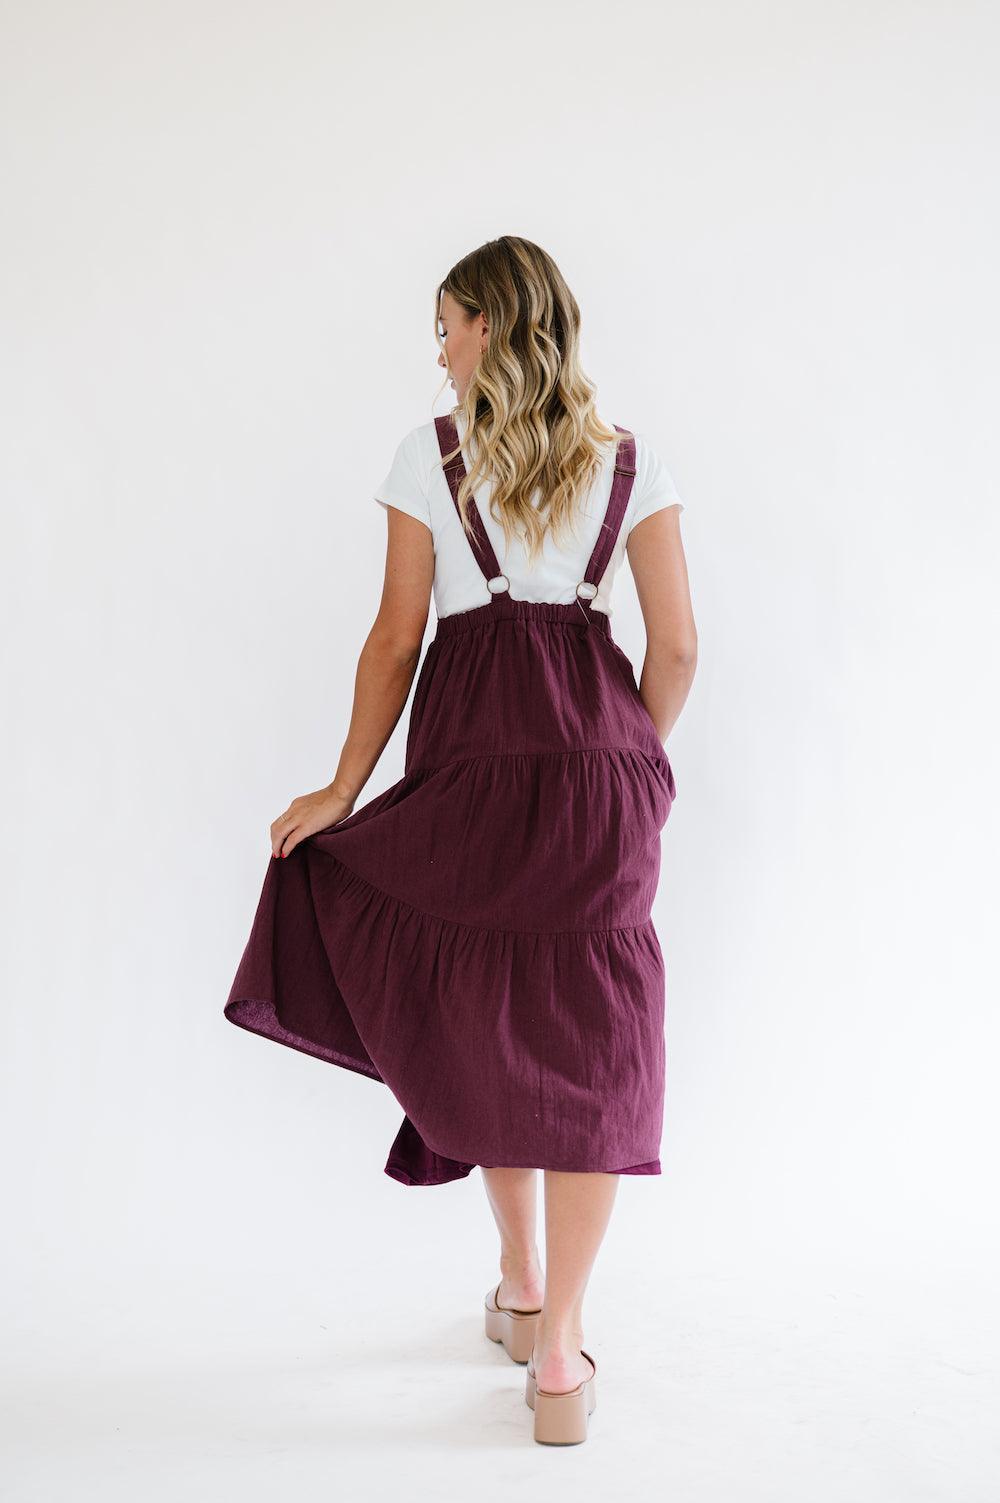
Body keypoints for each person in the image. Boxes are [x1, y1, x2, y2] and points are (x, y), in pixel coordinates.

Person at [225, 235, 697, 1445]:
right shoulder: (630, 459)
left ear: (490, 325)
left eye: (446, 328)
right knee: (589, 1040)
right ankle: (562, 1350)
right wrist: (626, 759)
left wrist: (343, 790)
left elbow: (396, 640)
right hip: (605, 779)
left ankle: (522, 1281)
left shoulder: (428, 455)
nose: (438, 353)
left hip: (470, 768)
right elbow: (678, 647)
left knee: (492, 1008)